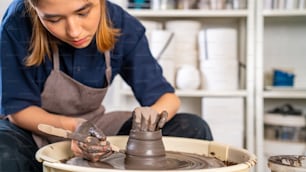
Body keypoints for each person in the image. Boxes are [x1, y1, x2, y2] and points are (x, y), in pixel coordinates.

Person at [0, 0, 213, 171]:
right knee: (4, 152)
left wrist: (149, 122)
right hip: (30, 128)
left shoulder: (121, 25)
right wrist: (75, 127)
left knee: (192, 128)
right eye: (54, 19)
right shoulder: (19, 21)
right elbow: (18, 111)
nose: (74, 31)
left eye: (83, 12)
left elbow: (166, 97)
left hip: (94, 125)